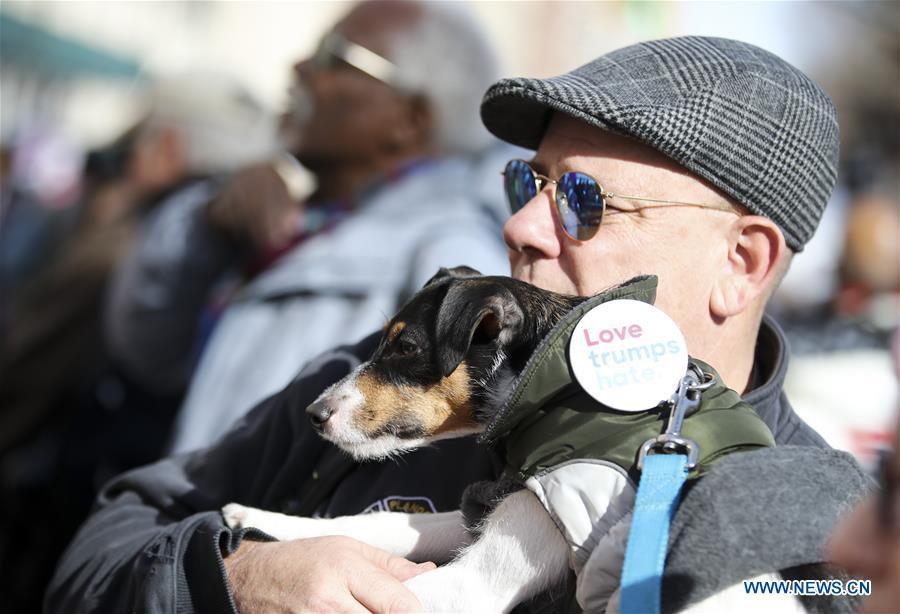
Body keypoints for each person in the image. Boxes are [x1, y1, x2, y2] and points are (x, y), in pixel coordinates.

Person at [48, 36, 867, 613]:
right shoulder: (394, 386)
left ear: (744, 263)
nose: (523, 226)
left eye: (583, 201)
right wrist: (233, 583)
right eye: (529, 181)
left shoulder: (838, 529)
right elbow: (100, 554)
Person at [104, 0, 511, 453]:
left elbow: (452, 445)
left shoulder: (448, 251)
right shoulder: (303, 221)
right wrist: (205, 227)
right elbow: (148, 354)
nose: (299, 68)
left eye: (334, 58)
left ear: (409, 119)